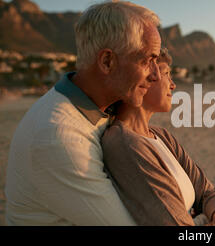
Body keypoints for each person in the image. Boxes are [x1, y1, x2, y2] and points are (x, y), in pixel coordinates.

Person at [5, 1, 161, 225]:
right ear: (107, 61)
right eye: (147, 60)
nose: (156, 75)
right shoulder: (59, 136)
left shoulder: (103, 109)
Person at [101, 49, 215, 226]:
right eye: (166, 73)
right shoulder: (125, 144)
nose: (172, 84)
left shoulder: (161, 136)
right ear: (144, 78)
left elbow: (210, 192)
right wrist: (204, 218)